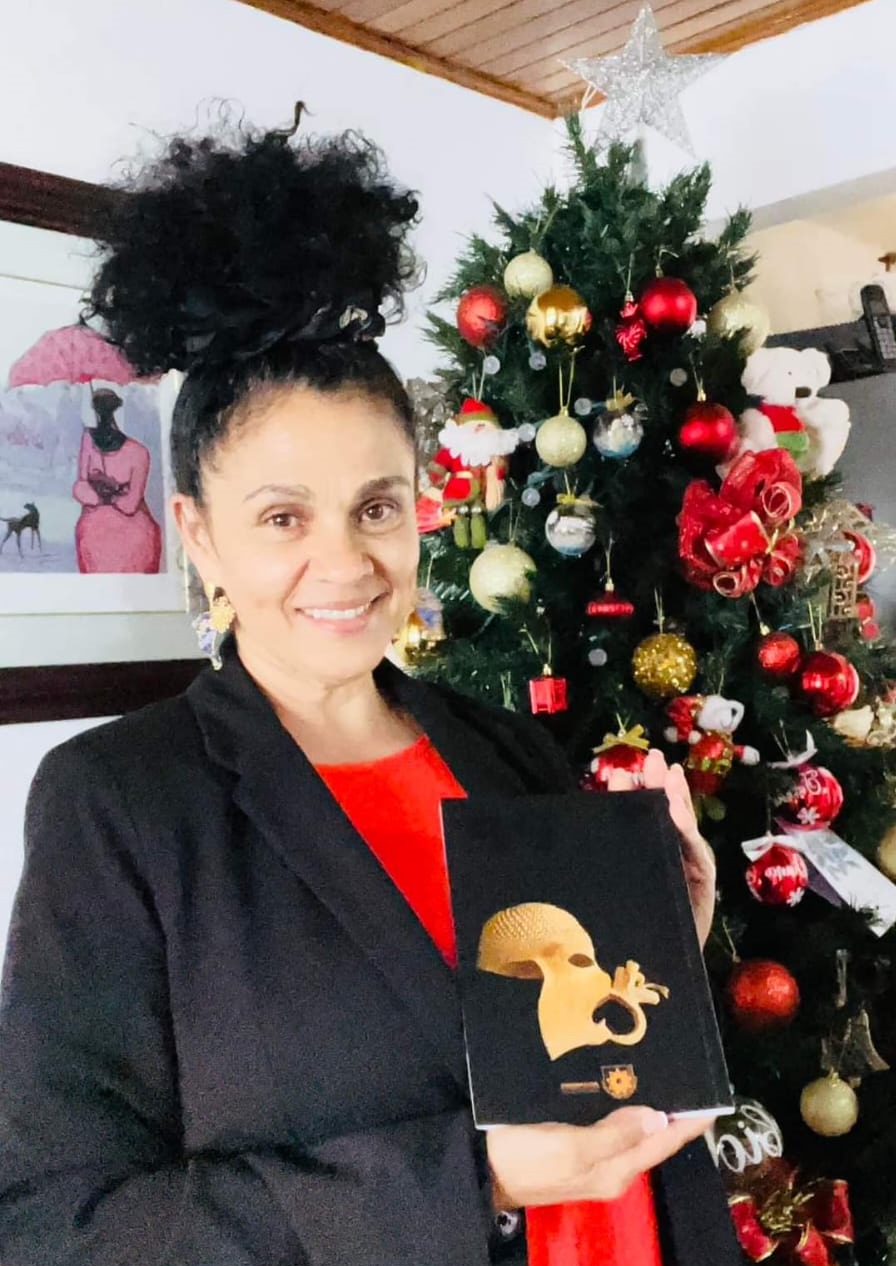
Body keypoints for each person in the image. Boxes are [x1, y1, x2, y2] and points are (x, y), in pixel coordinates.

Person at [0, 121, 740, 1266]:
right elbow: (60, 1222)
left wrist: (661, 928)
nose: (345, 563)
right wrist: (475, 1178)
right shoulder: (122, 802)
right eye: (282, 516)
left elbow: (579, 1039)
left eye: (377, 506)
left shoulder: (508, 751)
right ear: (199, 532)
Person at [73, 387, 162, 572]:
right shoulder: (89, 439)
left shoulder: (137, 452)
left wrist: (105, 494)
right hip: (98, 527)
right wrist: (103, 495)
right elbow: (81, 487)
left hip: (131, 529)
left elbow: (131, 503)